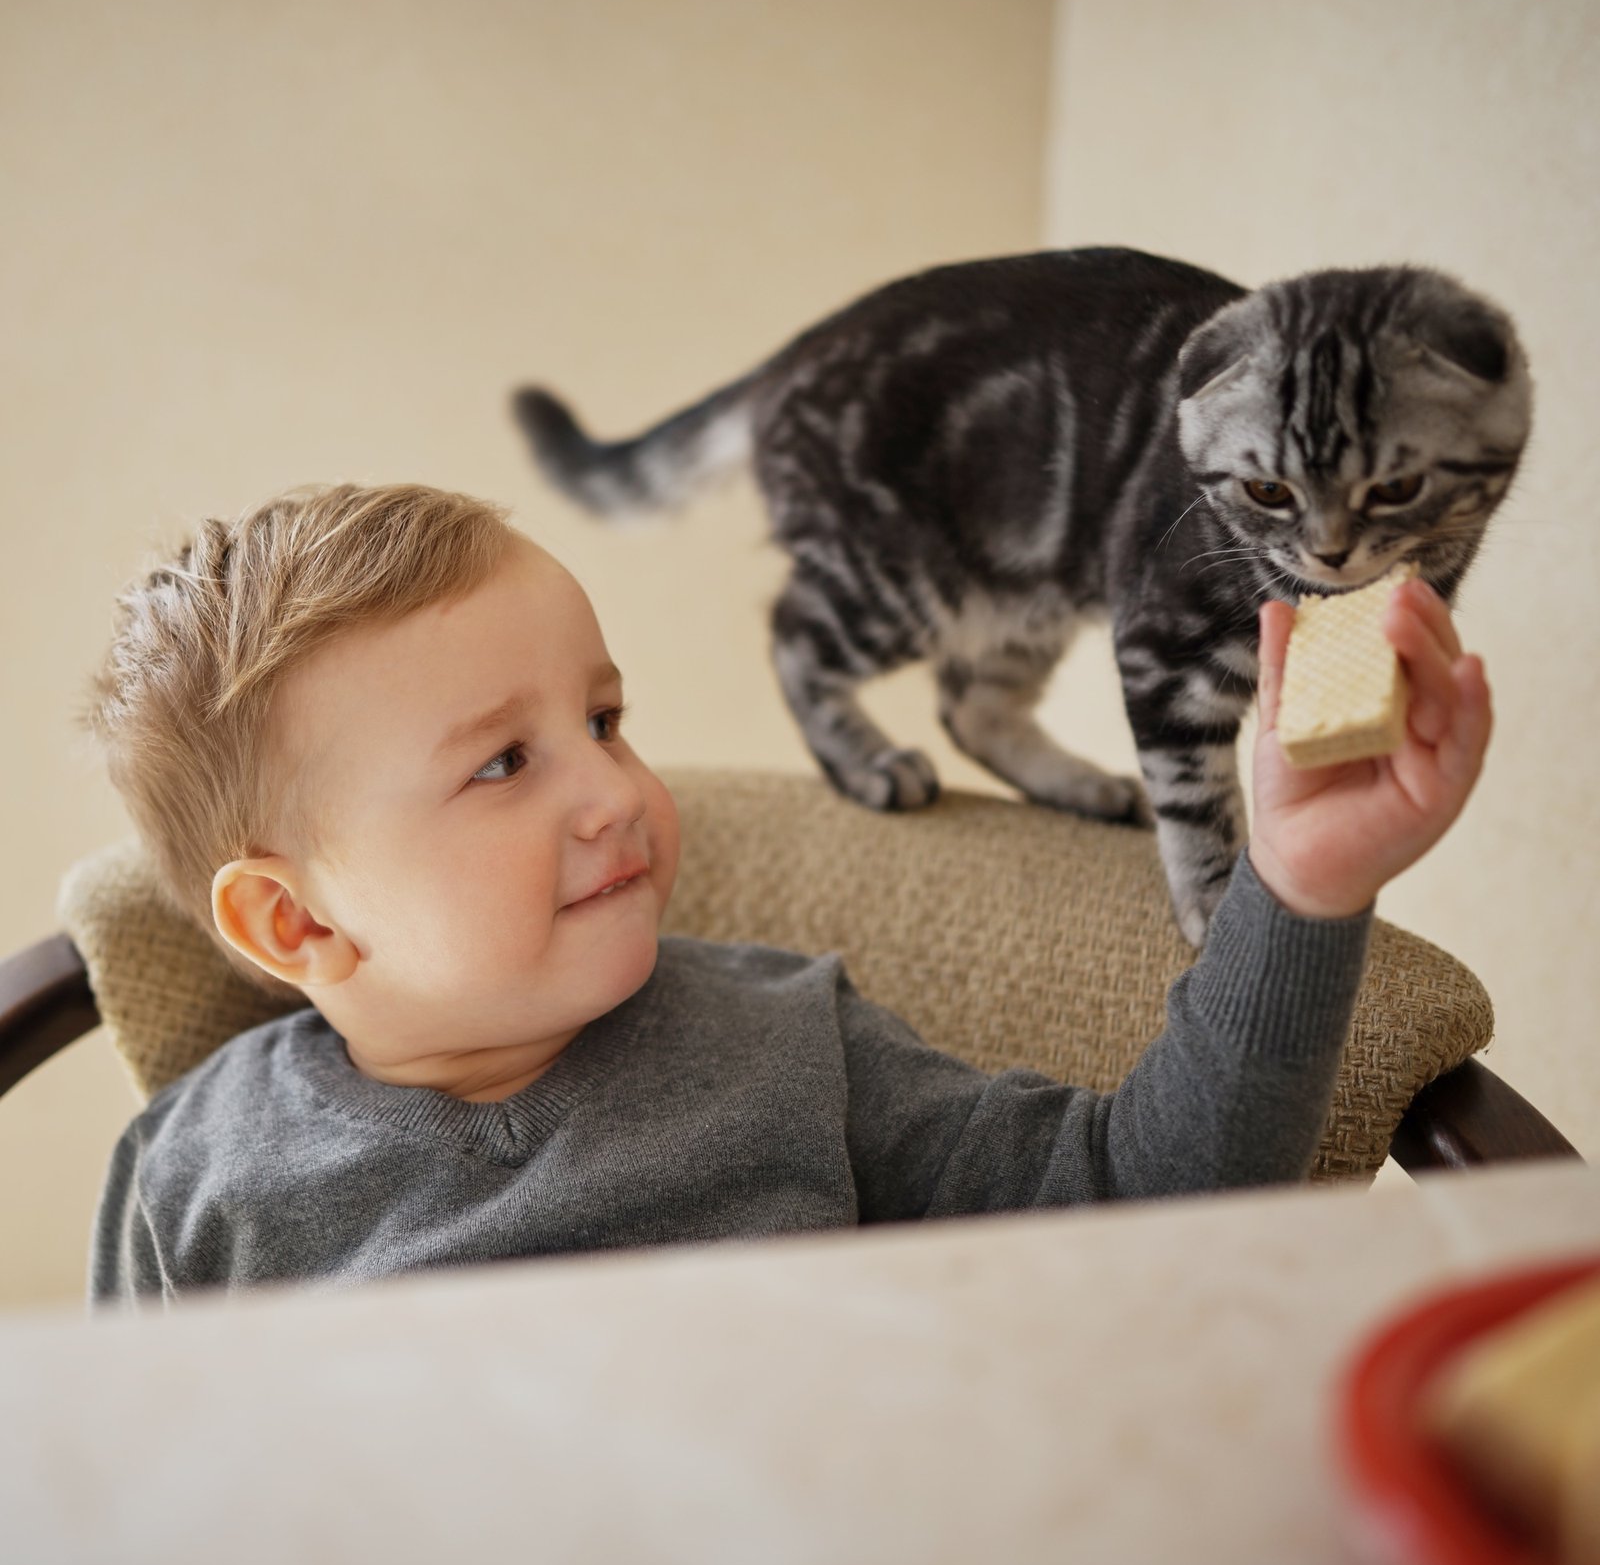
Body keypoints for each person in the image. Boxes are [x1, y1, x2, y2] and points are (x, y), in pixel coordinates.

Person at [84, 483, 1492, 1304]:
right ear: (300, 923)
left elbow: (1142, 1195)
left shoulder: (790, 1053)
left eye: (606, 720)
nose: (614, 793)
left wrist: (1300, 888)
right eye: (505, 762)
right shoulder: (191, 1175)